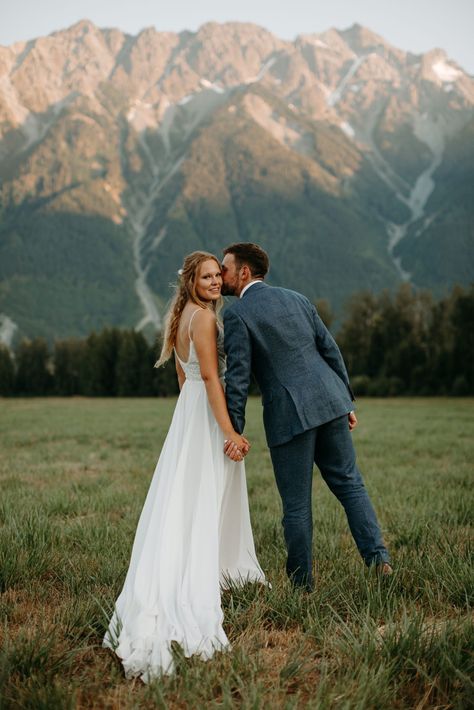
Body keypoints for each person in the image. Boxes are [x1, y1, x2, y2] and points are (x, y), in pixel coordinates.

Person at [103, 251, 266, 681]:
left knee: (186, 495)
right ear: (191, 281)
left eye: (218, 275)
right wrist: (229, 431)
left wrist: (191, 418)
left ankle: (212, 567)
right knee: (205, 494)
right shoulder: (207, 321)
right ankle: (207, 575)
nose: (215, 282)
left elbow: (185, 378)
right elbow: (212, 378)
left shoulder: (181, 318)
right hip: (207, 415)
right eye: (207, 277)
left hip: (188, 414)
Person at [221, 242, 392, 592]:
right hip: (331, 402)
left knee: (297, 505)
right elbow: (330, 349)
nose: (220, 275)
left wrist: (232, 431)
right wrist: (346, 401)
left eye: (225, 268)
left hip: (289, 416)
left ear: (244, 272)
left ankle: (302, 586)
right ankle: (379, 561)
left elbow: (238, 377)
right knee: (350, 485)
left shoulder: (237, 314)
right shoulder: (296, 298)